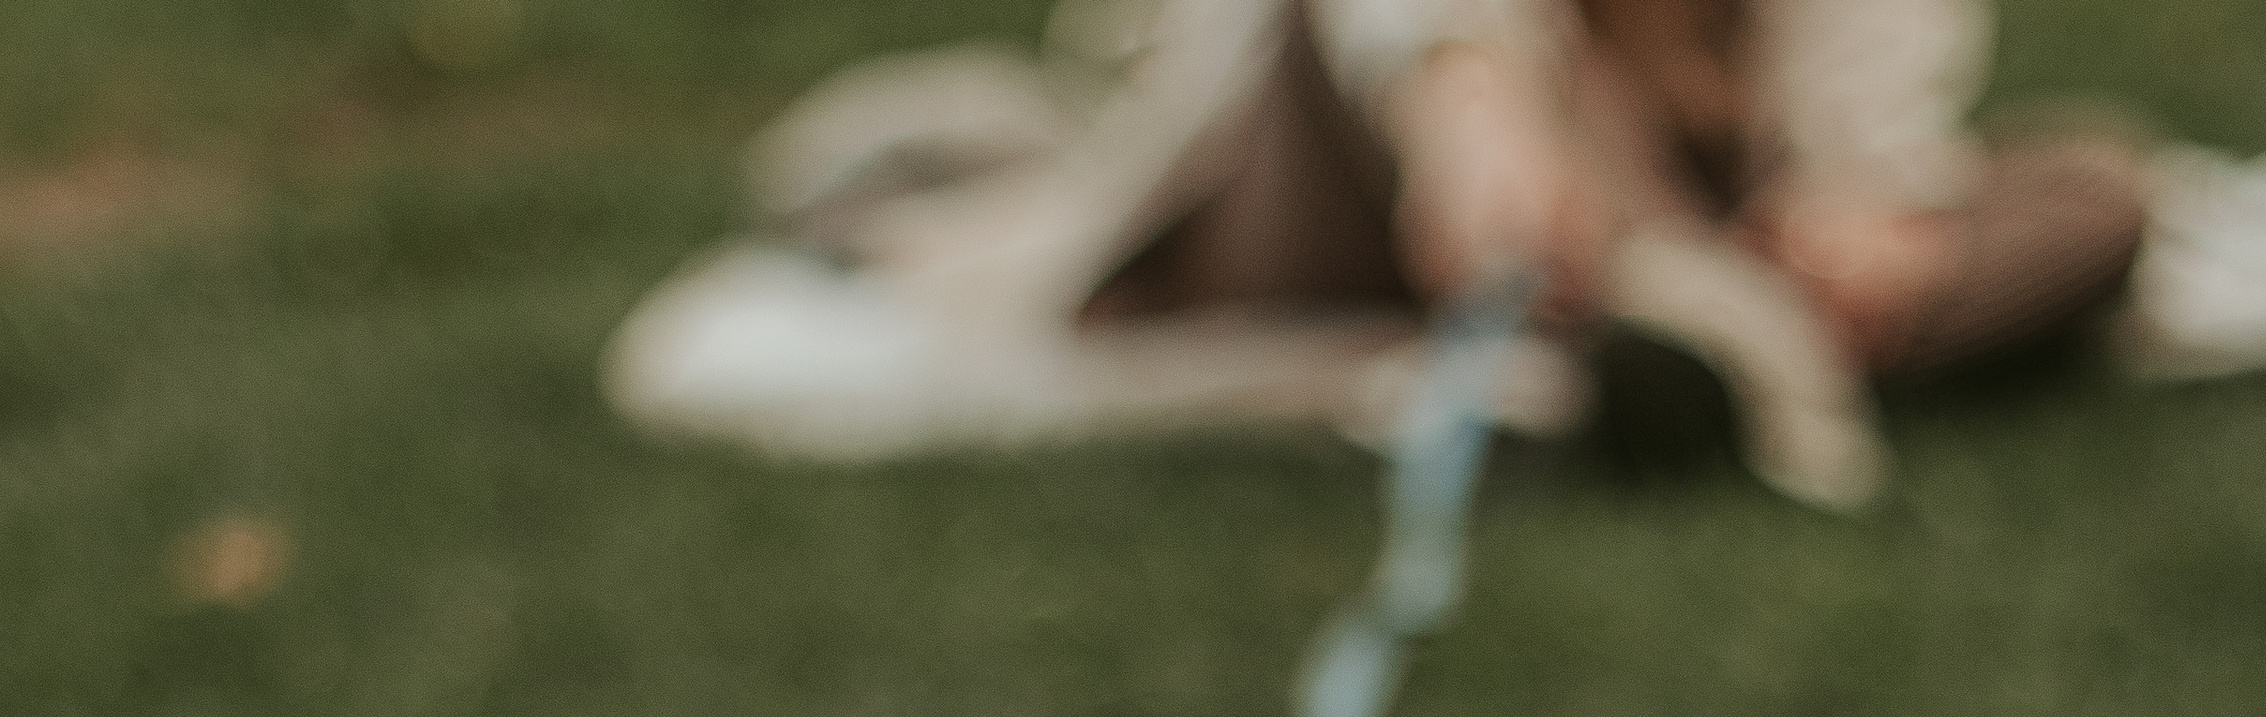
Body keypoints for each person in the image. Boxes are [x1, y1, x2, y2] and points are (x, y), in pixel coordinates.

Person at [611, 0, 2151, 507]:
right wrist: (1469, 106)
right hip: (1355, 147)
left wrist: (1866, 211)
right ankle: (1693, 338)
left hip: (1676, 201)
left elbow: (1873, 77)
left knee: (2099, 193)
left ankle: (1703, 330)